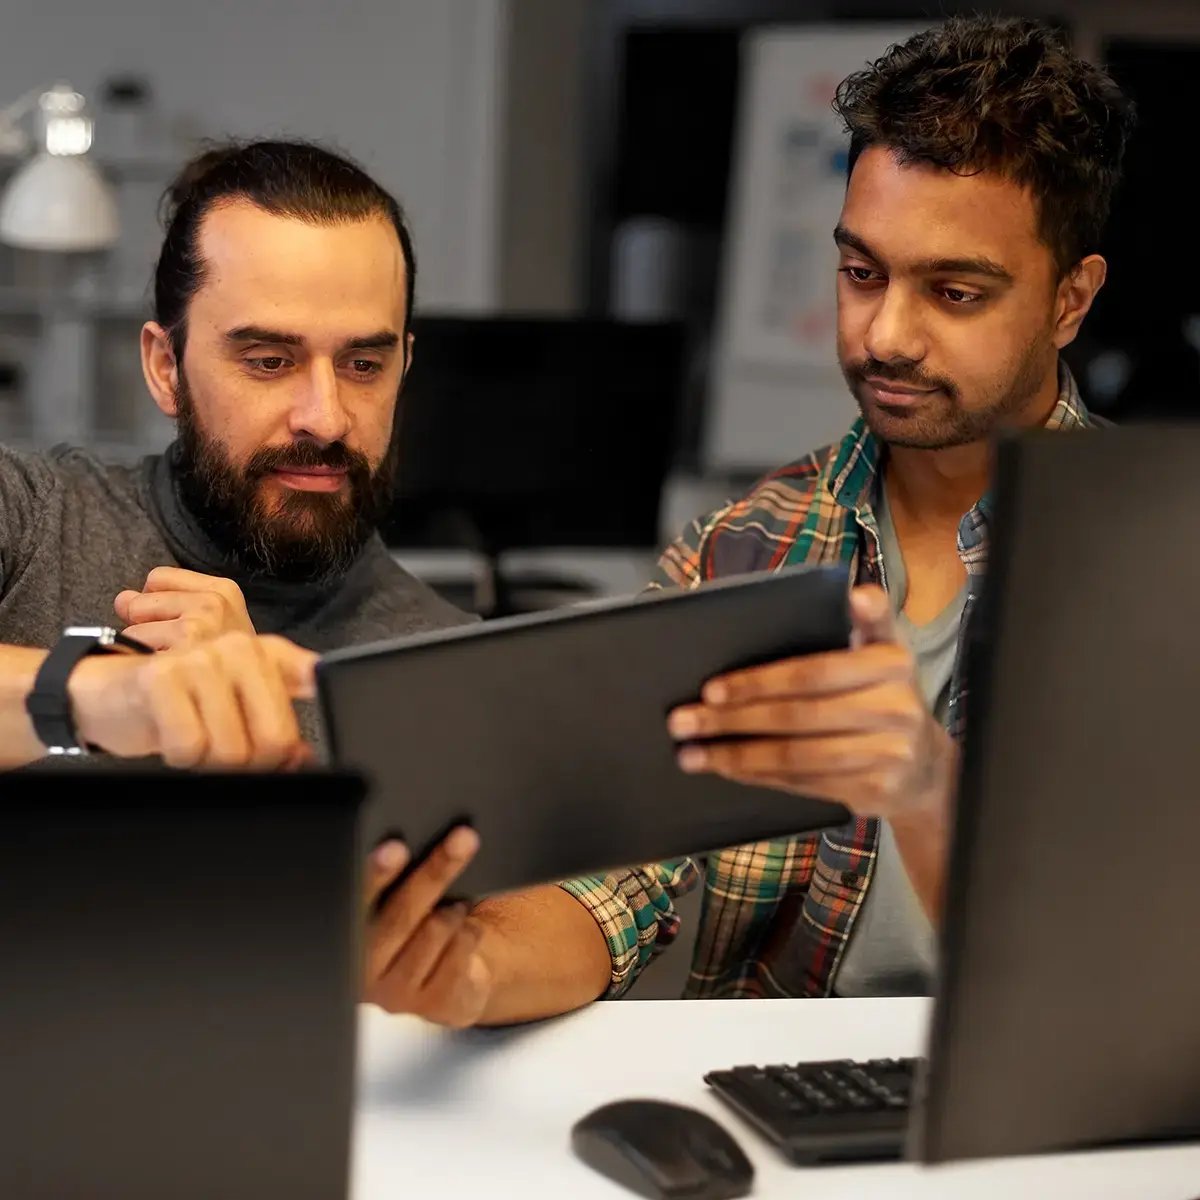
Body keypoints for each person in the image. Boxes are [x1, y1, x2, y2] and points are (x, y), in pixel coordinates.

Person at [546, 16, 1137, 1005]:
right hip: (778, 1111)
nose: (886, 336)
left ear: (1070, 301)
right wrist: (467, 967)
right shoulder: (747, 545)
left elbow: (1133, 983)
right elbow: (613, 883)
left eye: (954, 292)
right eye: (862, 273)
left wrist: (926, 794)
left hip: (1059, 1123)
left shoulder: (1160, 564)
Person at [0, 140, 612, 1028]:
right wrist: (106, 695)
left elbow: (573, 910)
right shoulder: (34, 517)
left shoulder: (444, 658)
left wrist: (464, 973)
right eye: (268, 360)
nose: (325, 418)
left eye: (363, 364)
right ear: (165, 366)